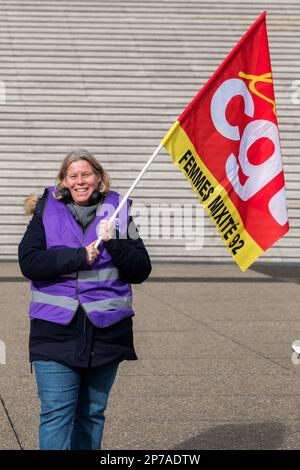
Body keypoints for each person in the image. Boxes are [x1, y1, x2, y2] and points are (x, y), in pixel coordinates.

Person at [18, 149, 151, 450]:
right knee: (56, 414)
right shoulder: (45, 210)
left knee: (92, 414)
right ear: (63, 181)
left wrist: (115, 241)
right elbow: (29, 262)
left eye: (86, 174)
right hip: (55, 331)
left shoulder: (118, 214)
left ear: (99, 178)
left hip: (106, 331)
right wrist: (79, 257)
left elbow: (141, 269)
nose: (80, 181)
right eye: (73, 175)